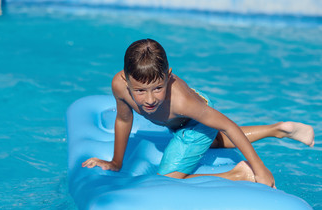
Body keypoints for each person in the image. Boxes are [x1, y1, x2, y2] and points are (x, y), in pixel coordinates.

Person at [82, 39, 315, 188]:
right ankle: (279, 129)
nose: (150, 99)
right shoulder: (118, 85)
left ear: (169, 76)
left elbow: (228, 125)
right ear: (126, 80)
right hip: (185, 116)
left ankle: (239, 175)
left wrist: (259, 167)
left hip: (192, 117)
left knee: (165, 183)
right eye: (140, 91)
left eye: (157, 88)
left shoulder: (181, 101)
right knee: (212, 142)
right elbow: (124, 119)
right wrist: (116, 163)